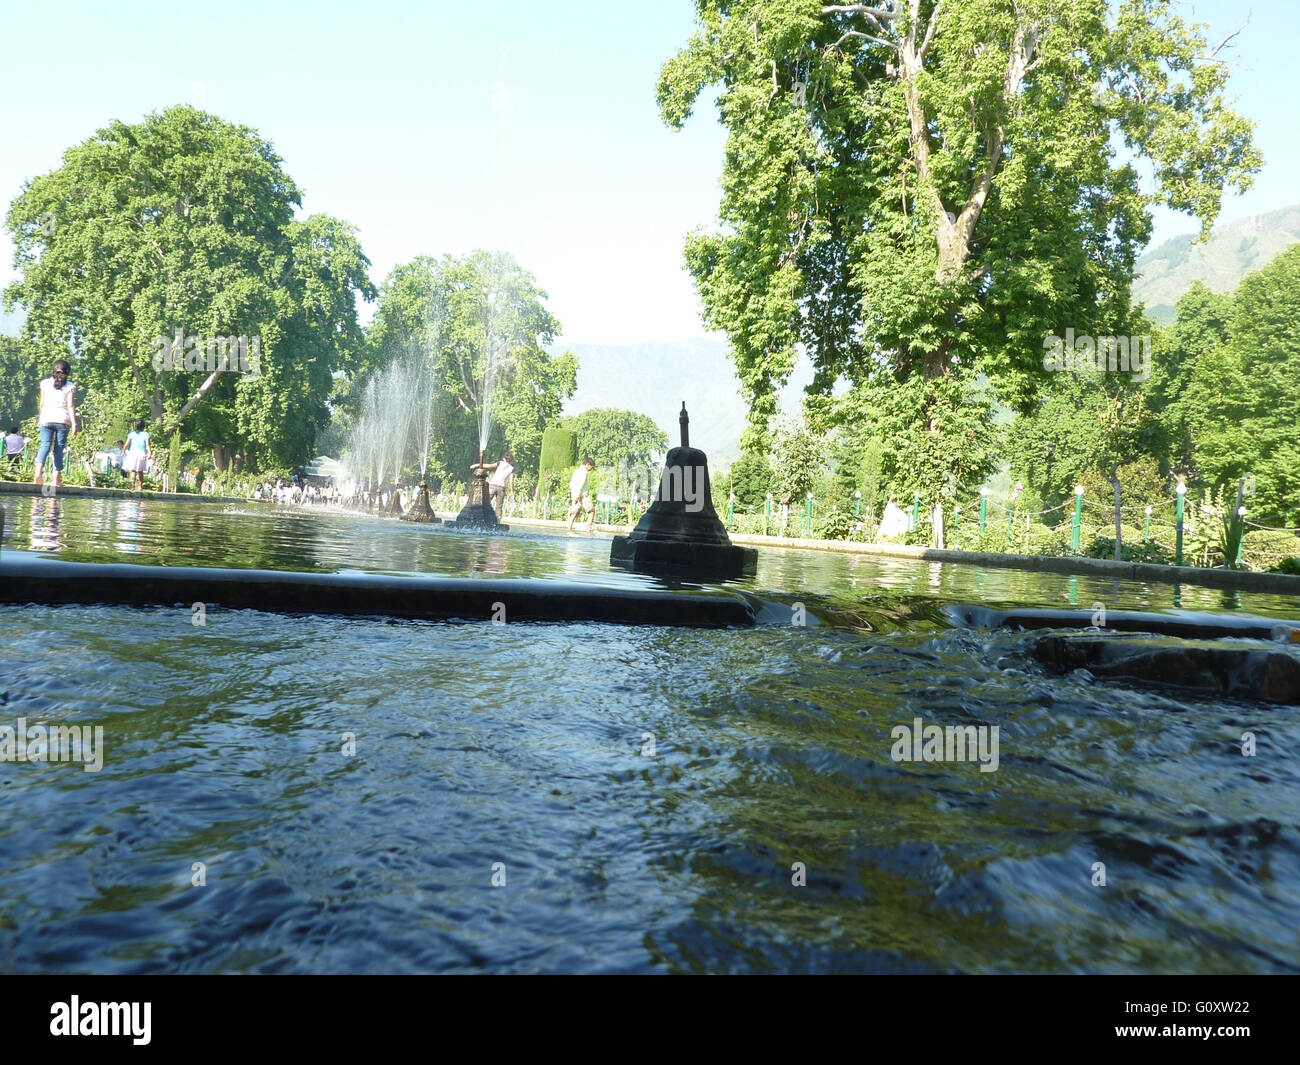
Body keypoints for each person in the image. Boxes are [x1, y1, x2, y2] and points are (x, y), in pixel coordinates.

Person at [33, 359, 78, 487]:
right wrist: (74, 424)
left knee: (45, 445)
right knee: (58, 449)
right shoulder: (70, 386)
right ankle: (56, 480)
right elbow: (70, 406)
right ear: (67, 372)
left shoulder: (44, 384)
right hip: (62, 421)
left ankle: (38, 473)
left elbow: (41, 404)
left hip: (46, 419)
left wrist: (43, 416)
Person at [566, 457, 597, 534]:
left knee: (574, 513)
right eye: (591, 467)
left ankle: (569, 530)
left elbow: (572, 484)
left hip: (575, 494)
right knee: (591, 511)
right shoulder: (583, 473)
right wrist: (577, 496)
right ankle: (589, 530)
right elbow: (579, 484)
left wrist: (574, 495)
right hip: (582, 496)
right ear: (587, 465)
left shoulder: (577, 471)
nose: (591, 469)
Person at [122, 420, 152, 491]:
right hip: (141, 453)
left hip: (133, 453)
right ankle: (140, 487)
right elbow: (148, 445)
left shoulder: (131, 434)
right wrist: (149, 453)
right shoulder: (146, 434)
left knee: (133, 470)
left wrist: (123, 451)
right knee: (140, 471)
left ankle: (132, 486)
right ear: (143, 426)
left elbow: (126, 444)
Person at [483, 451, 515, 517]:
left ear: (504, 458)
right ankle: (498, 523)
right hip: (501, 488)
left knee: (486, 502)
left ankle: (483, 518)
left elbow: (490, 466)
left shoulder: (500, 463)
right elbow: (511, 481)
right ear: (511, 460)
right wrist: (512, 492)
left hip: (493, 485)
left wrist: (479, 465)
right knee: (499, 507)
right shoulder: (512, 469)